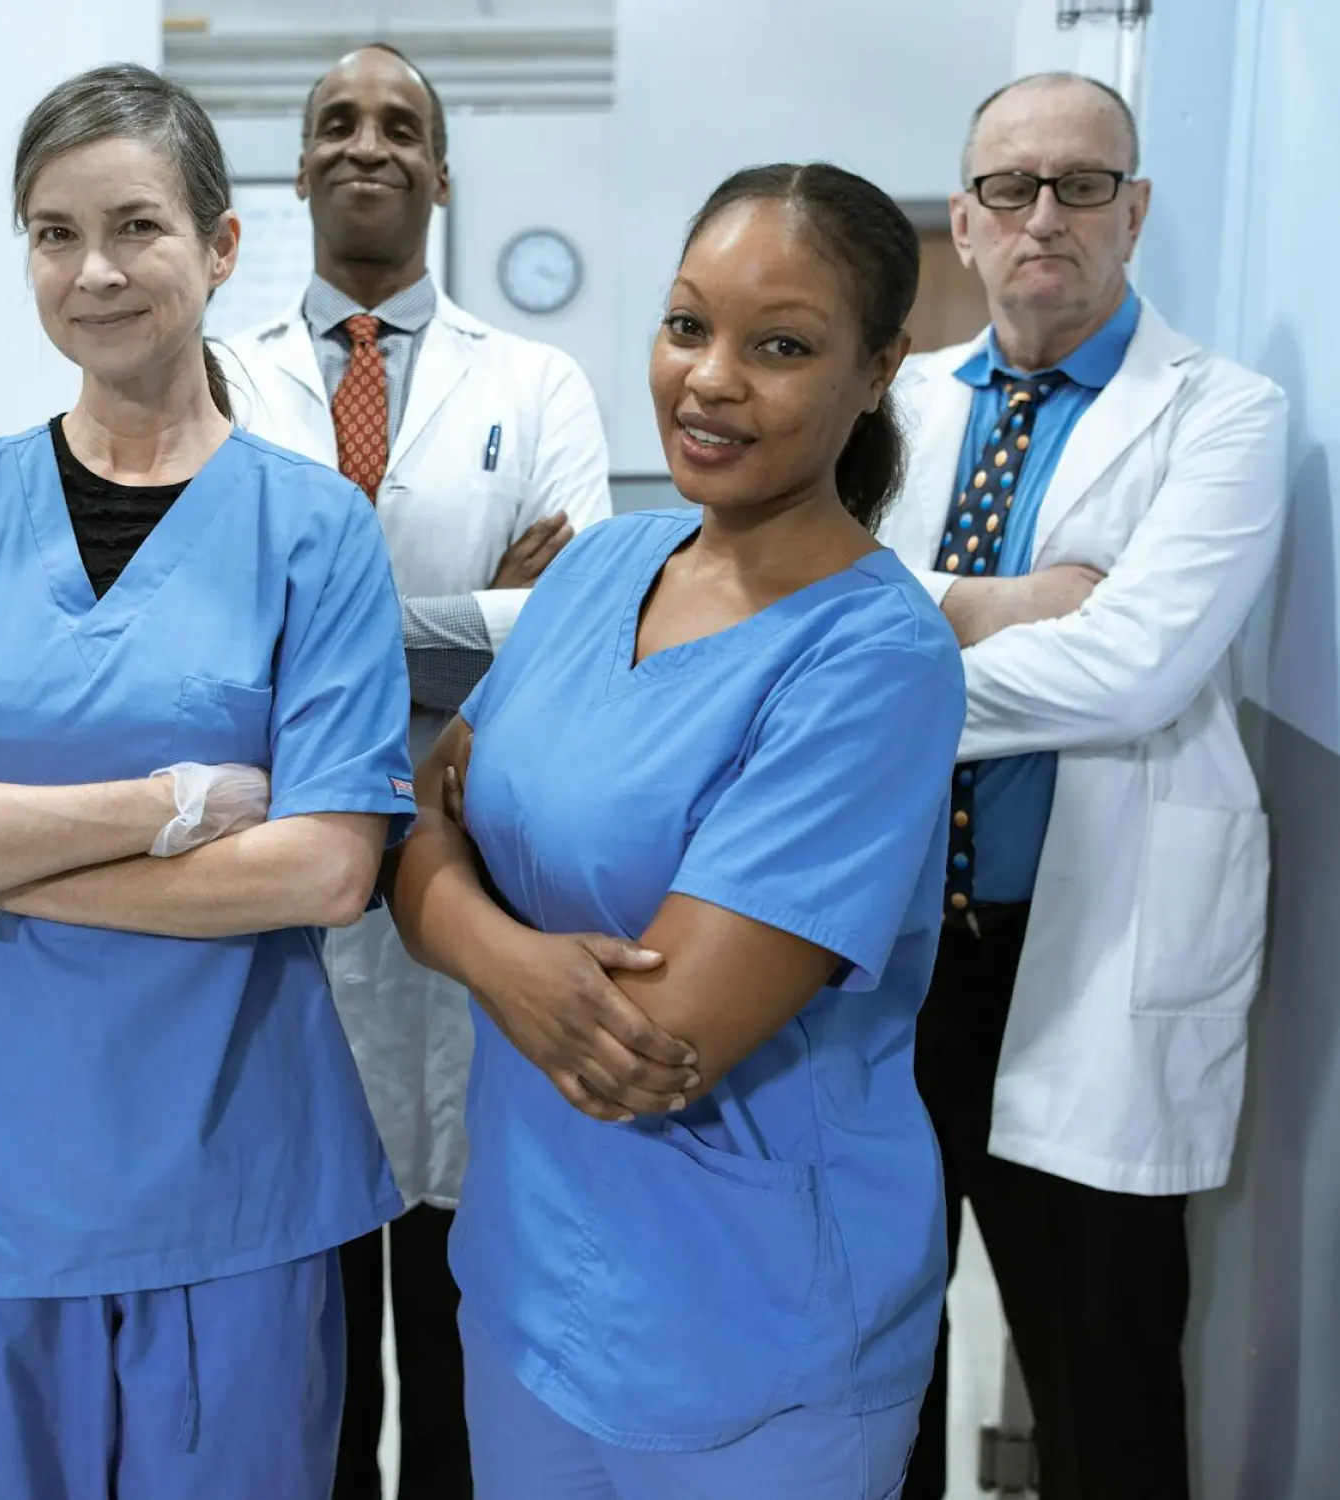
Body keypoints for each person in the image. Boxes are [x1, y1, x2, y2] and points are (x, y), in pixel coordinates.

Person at [0, 64, 416, 1500]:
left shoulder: (313, 533)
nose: (94, 270)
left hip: (224, 1176)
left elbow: (323, 870)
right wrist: (167, 809)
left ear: (221, 246)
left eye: (135, 227)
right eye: (53, 233)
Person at [389, 162, 966, 1500]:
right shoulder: (597, 568)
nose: (708, 379)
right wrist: (513, 953)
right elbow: (418, 810)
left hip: (753, 1327)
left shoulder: (870, 657)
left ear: (877, 369)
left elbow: (647, 1050)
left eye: (779, 346)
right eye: (685, 324)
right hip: (529, 1275)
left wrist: (449, 900)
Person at [878, 74, 1287, 1500]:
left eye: (1081, 184)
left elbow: (1130, 673)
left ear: (1137, 210)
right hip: (889, 960)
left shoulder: (1225, 417)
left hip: (1083, 963)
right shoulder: (902, 406)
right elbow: (808, 611)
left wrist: (888, 657)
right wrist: (1008, 604)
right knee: (874, 1361)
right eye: (1009, 188)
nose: (1043, 215)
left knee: (1101, 1379)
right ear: (964, 219)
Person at [219, 45, 611, 1498]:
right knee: (309, 1318)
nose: (365, 144)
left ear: (440, 175)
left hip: (470, 869)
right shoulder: (217, 374)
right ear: (301, 168)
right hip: (285, 882)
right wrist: (464, 627)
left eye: (400, 127)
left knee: (463, 1301)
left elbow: (559, 629)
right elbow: (203, 631)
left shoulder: (540, 379)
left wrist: (313, 633)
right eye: (335, 122)